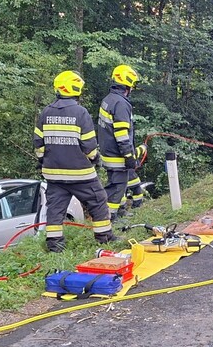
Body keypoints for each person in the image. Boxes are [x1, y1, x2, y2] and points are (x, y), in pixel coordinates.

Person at [34, 71, 115, 252]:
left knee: (55, 210)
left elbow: (38, 144)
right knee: (98, 200)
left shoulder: (46, 112)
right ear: (76, 89)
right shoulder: (80, 112)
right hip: (81, 174)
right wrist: (95, 158)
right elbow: (89, 145)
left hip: (53, 175)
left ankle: (54, 246)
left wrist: (42, 161)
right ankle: (104, 237)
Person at [98, 64, 140, 220]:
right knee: (117, 188)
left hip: (107, 152)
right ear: (127, 84)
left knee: (117, 185)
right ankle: (111, 218)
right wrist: (129, 155)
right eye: (132, 85)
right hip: (117, 155)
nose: (133, 88)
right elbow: (121, 133)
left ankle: (120, 212)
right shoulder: (121, 104)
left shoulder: (108, 99)